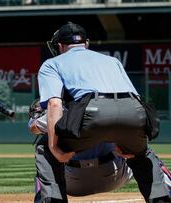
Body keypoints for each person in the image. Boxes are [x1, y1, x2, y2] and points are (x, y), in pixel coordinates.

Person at [37, 22, 171, 202]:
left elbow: (54, 104)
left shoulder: (51, 64)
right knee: (143, 155)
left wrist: (55, 148)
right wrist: (131, 142)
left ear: (60, 46)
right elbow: (136, 100)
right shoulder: (112, 61)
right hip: (133, 110)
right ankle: (161, 198)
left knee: (45, 148)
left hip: (92, 111)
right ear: (86, 43)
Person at [28, 99, 171, 202]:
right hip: (115, 174)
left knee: (45, 152)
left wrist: (49, 119)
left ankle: (45, 199)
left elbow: (33, 126)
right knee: (144, 153)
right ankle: (165, 194)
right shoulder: (114, 105)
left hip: (71, 182)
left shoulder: (62, 111)